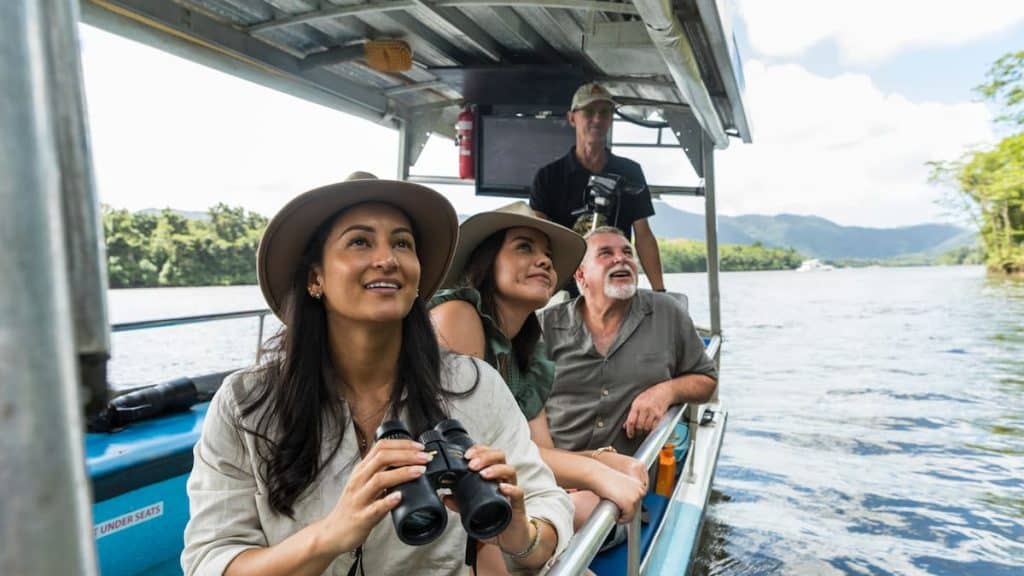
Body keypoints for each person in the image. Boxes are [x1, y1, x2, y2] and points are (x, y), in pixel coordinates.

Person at [181, 174, 573, 576]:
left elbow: (547, 504)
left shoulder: (473, 388)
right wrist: (332, 533)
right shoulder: (247, 404)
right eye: (360, 242)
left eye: (402, 243)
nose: (388, 259)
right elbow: (211, 561)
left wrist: (519, 534)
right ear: (316, 278)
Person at [429, 202, 647, 539]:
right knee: (595, 511)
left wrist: (603, 460)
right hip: (446, 505)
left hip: (499, 496)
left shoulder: (526, 350)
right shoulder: (457, 315)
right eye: (524, 247)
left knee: (601, 512)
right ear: (487, 262)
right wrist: (592, 470)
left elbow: (534, 451)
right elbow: (469, 453)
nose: (544, 260)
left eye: (547, 253)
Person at [539, 226, 717, 458]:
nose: (621, 259)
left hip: (631, 473)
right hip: (556, 471)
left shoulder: (667, 313)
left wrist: (666, 391)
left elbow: (707, 380)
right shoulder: (544, 326)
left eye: (627, 253)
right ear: (581, 276)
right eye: (605, 253)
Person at [530, 82, 665, 292]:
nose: (597, 119)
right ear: (572, 118)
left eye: (604, 112)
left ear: (611, 119)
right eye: (589, 112)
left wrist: (660, 291)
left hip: (615, 286)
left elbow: (644, 235)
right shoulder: (548, 177)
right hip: (564, 289)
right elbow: (538, 236)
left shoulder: (630, 172)